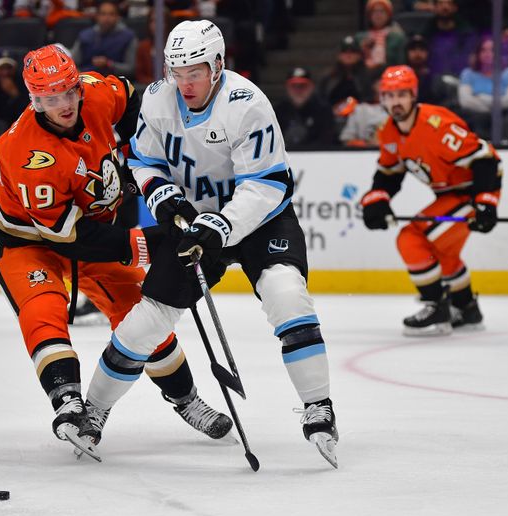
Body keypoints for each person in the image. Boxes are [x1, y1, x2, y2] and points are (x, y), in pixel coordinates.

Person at [82, 20, 339, 467]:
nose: (184, 83)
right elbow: (143, 160)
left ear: (218, 65)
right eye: (176, 72)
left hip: (260, 220)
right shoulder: (158, 99)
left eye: (194, 72)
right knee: (146, 321)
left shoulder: (247, 104)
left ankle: (319, 408)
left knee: (285, 293)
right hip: (194, 222)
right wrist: (163, 197)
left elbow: (264, 185)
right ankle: (94, 411)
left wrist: (219, 225)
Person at [0, 44, 232, 458]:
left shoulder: (96, 92)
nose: (62, 104)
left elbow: (135, 101)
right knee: (44, 308)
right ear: (33, 99)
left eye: (67, 91)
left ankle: (186, 400)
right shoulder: (25, 153)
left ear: (79, 86)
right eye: (48, 97)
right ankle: (68, 403)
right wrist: (146, 243)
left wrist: (148, 154)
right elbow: (69, 236)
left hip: (92, 229)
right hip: (31, 240)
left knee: (142, 318)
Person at [360, 65, 502, 336]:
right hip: (450, 194)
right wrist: (376, 199)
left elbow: (484, 159)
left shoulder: (436, 124)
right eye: (389, 96)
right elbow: (389, 173)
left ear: (413, 94)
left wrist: (485, 201)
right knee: (443, 253)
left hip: (473, 189)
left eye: (401, 94)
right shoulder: (388, 131)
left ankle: (436, 306)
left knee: (410, 238)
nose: (395, 102)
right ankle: (467, 308)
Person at [457, 36, 508, 136]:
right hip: (475, 120)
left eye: (492, 50)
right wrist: (490, 111)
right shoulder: (468, 73)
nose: (487, 54)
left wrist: (481, 97)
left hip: (502, 119)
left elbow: (507, 101)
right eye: (483, 50)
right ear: (477, 53)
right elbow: (465, 101)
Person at [274, 66, 337, 150]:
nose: (298, 90)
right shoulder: (278, 110)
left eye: (303, 86)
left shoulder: (323, 110)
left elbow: (327, 140)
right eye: (294, 86)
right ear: (287, 88)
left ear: (311, 87)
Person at [73, 0, 138, 79]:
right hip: (87, 81)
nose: (107, 18)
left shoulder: (128, 37)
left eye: (111, 14)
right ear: (97, 16)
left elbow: (131, 69)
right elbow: (73, 63)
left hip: (117, 83)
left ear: (118, 16)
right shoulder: (85, 36)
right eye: (103, 14)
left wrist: (109, 64)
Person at [356, 0, 406, 69]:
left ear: (389, 14)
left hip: (391, 76)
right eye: (374, 11)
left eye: (382, 11)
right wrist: (363, 49)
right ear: (369, 15)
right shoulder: (360, 37)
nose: (378, 14)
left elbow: (401, 64)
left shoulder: (397, 37)